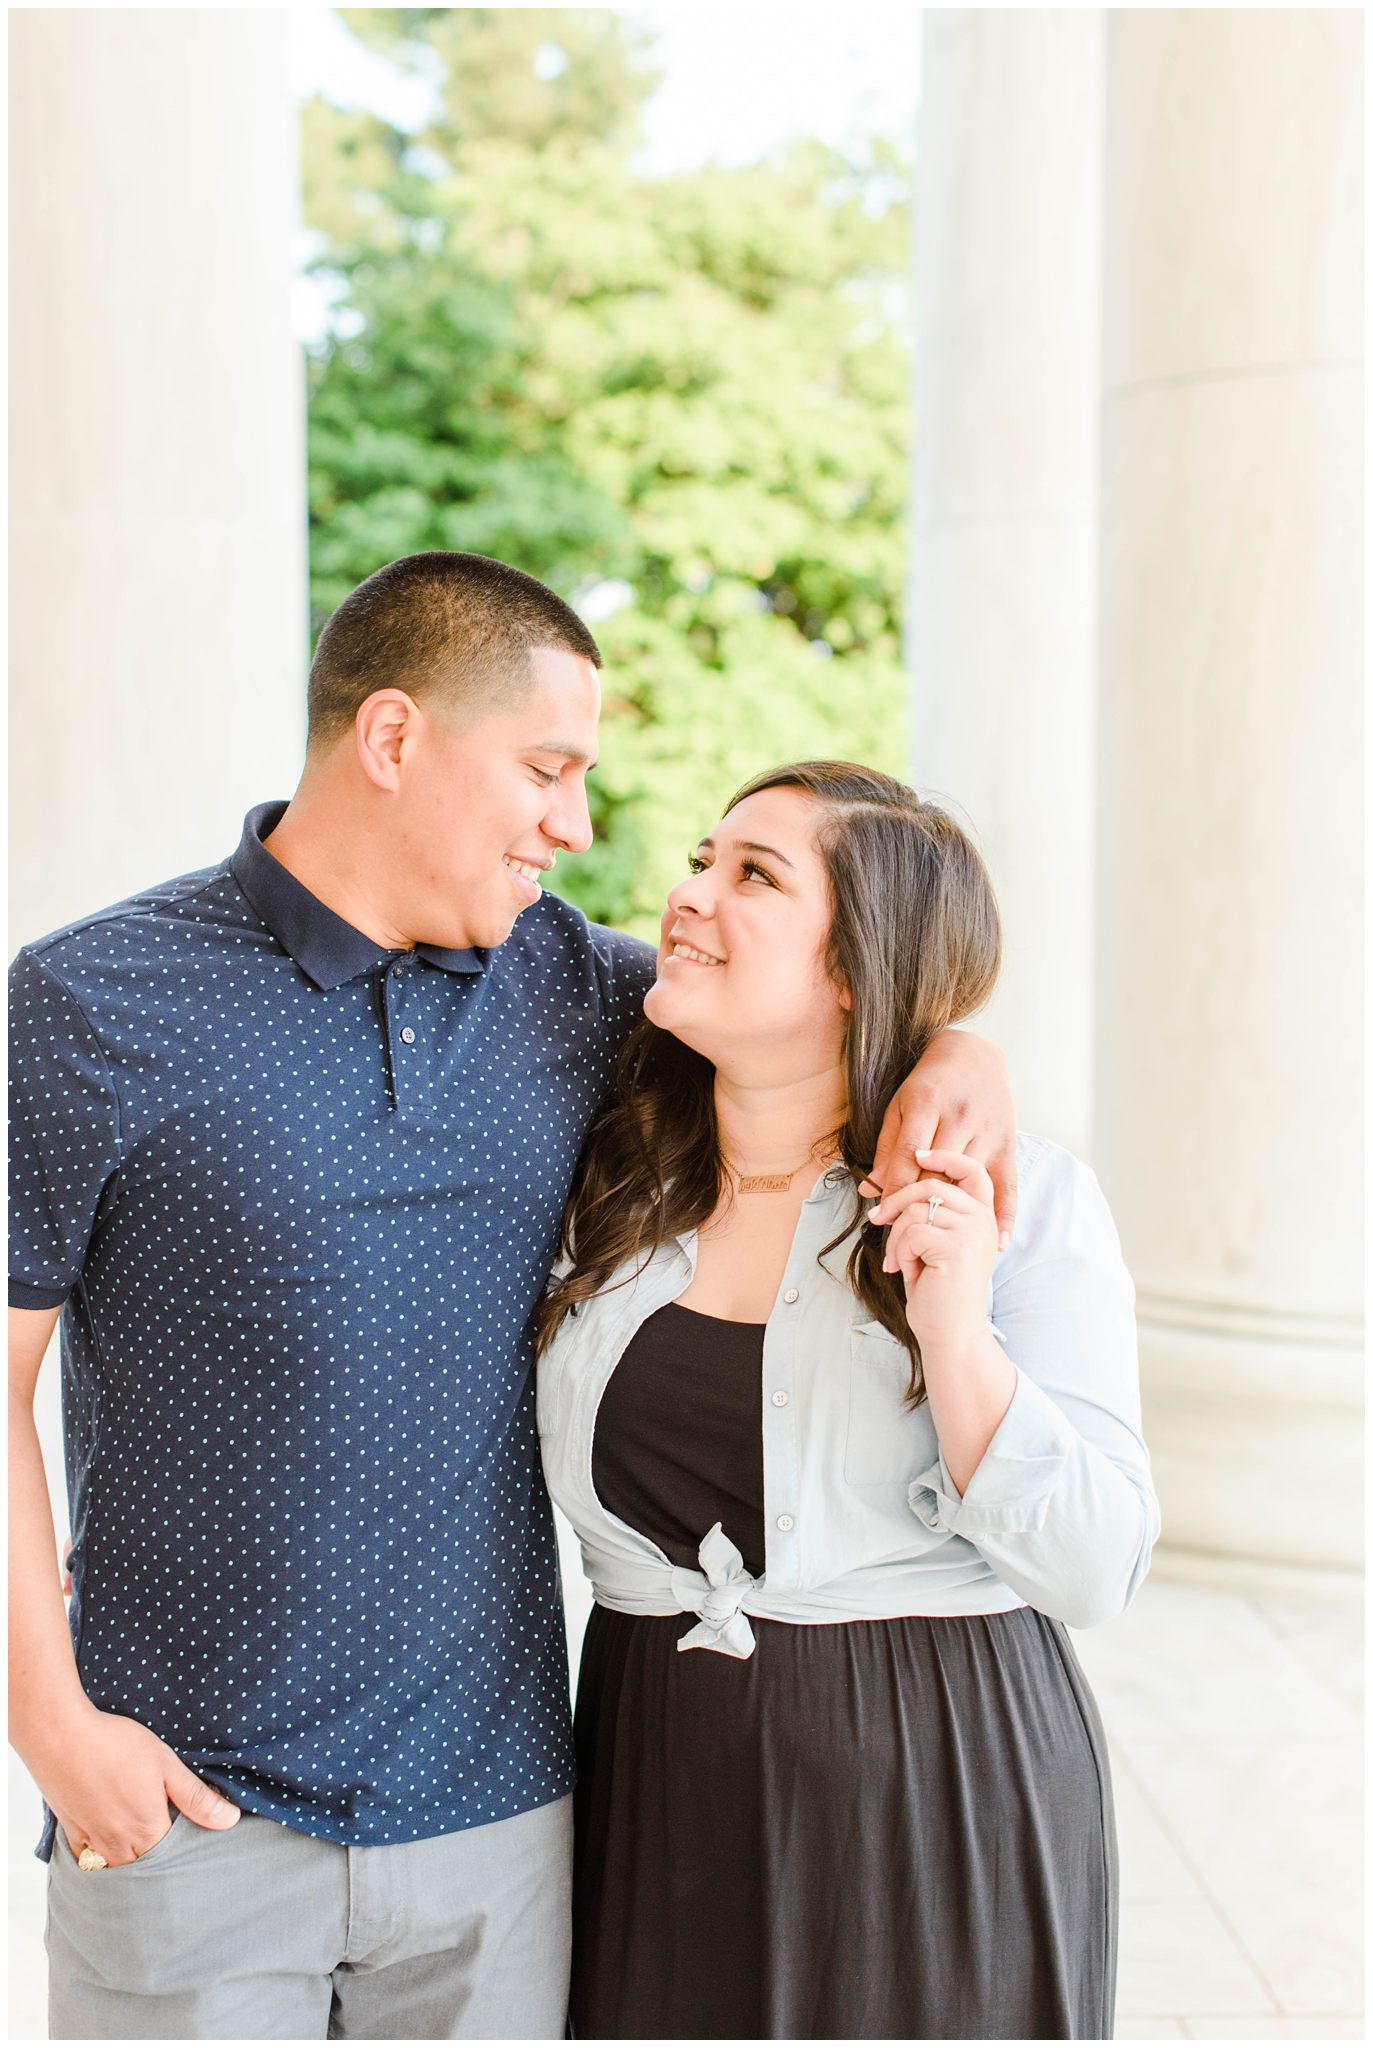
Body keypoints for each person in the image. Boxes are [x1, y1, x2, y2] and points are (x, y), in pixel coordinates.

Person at [8, 554, 1020, 2041]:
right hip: (186, 1814)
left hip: (498, 1826)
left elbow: (819, 1013)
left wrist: (959, 1055)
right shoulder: (92, 999)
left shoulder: (592, 997)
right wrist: (52, 1732)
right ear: (395, 738)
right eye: (548, 768)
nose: (579, 823)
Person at [536, 758, 1161, 2042]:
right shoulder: (601, 1174)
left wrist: (953, 1328)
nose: (686, 892)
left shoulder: (1025, 1200)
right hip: (654, 1772)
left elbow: (1097, 1563)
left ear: (851, 968)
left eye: (751, 874)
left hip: (937, 1789)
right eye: (704, 857)